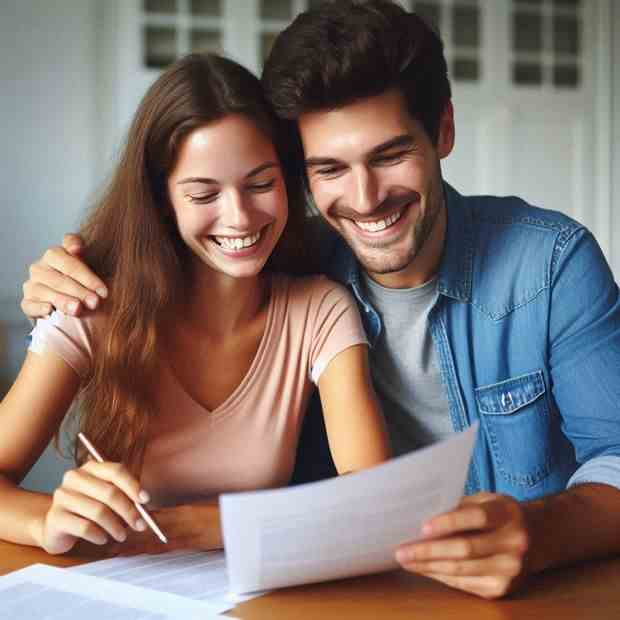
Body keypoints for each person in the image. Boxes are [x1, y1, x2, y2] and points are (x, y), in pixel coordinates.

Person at [19, 0, 620, 599]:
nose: (364, 199)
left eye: (390, 155)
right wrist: (66, 276)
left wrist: (540, 531)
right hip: (340, 596)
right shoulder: (290, 265)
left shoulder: (548, 265)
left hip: (525, 597)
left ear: (443, 130)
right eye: (328, 168)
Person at [0, 52, 389, 557]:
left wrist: (222, 526)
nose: (241, 217)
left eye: (260, 184)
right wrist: (45, 520)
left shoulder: (319, 311)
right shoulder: (92, 304)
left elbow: (375, 497)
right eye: (204, 194)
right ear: (163, 200)